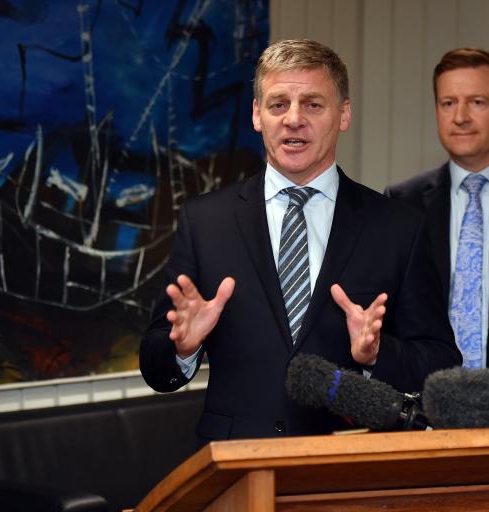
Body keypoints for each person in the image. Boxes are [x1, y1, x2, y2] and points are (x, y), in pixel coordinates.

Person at [140, 39, 461, 441]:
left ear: (343, 115)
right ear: (257, 115)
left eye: (312, 104)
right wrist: (183, 350)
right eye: (278, 104)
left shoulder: (397, 226)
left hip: (352, 467)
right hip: (235, 466)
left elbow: (440, 364)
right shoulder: (205, 221)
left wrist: (377, 355)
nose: (294, 119)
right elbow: (155, 366)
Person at [386, 49, 489, 370]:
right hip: (429, 404)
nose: (460, 116)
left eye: (477, 102)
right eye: (448, 103)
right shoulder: (402, 202)